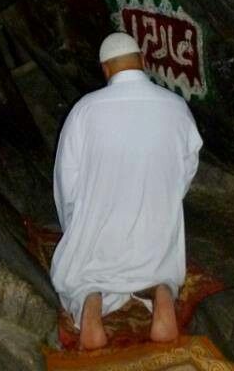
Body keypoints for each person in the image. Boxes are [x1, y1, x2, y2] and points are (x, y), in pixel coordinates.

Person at [50, 31, 202, 350]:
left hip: (101, 237)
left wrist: (75, 225)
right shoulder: (176, 107)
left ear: (105, 69)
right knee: (161, 268)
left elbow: (67, 180)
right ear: (143, 62)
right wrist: (164, 201)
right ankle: (161, 293)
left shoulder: (85, 111)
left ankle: (91, 304)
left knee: (80, 275)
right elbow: (186, 169)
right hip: (155, 235)